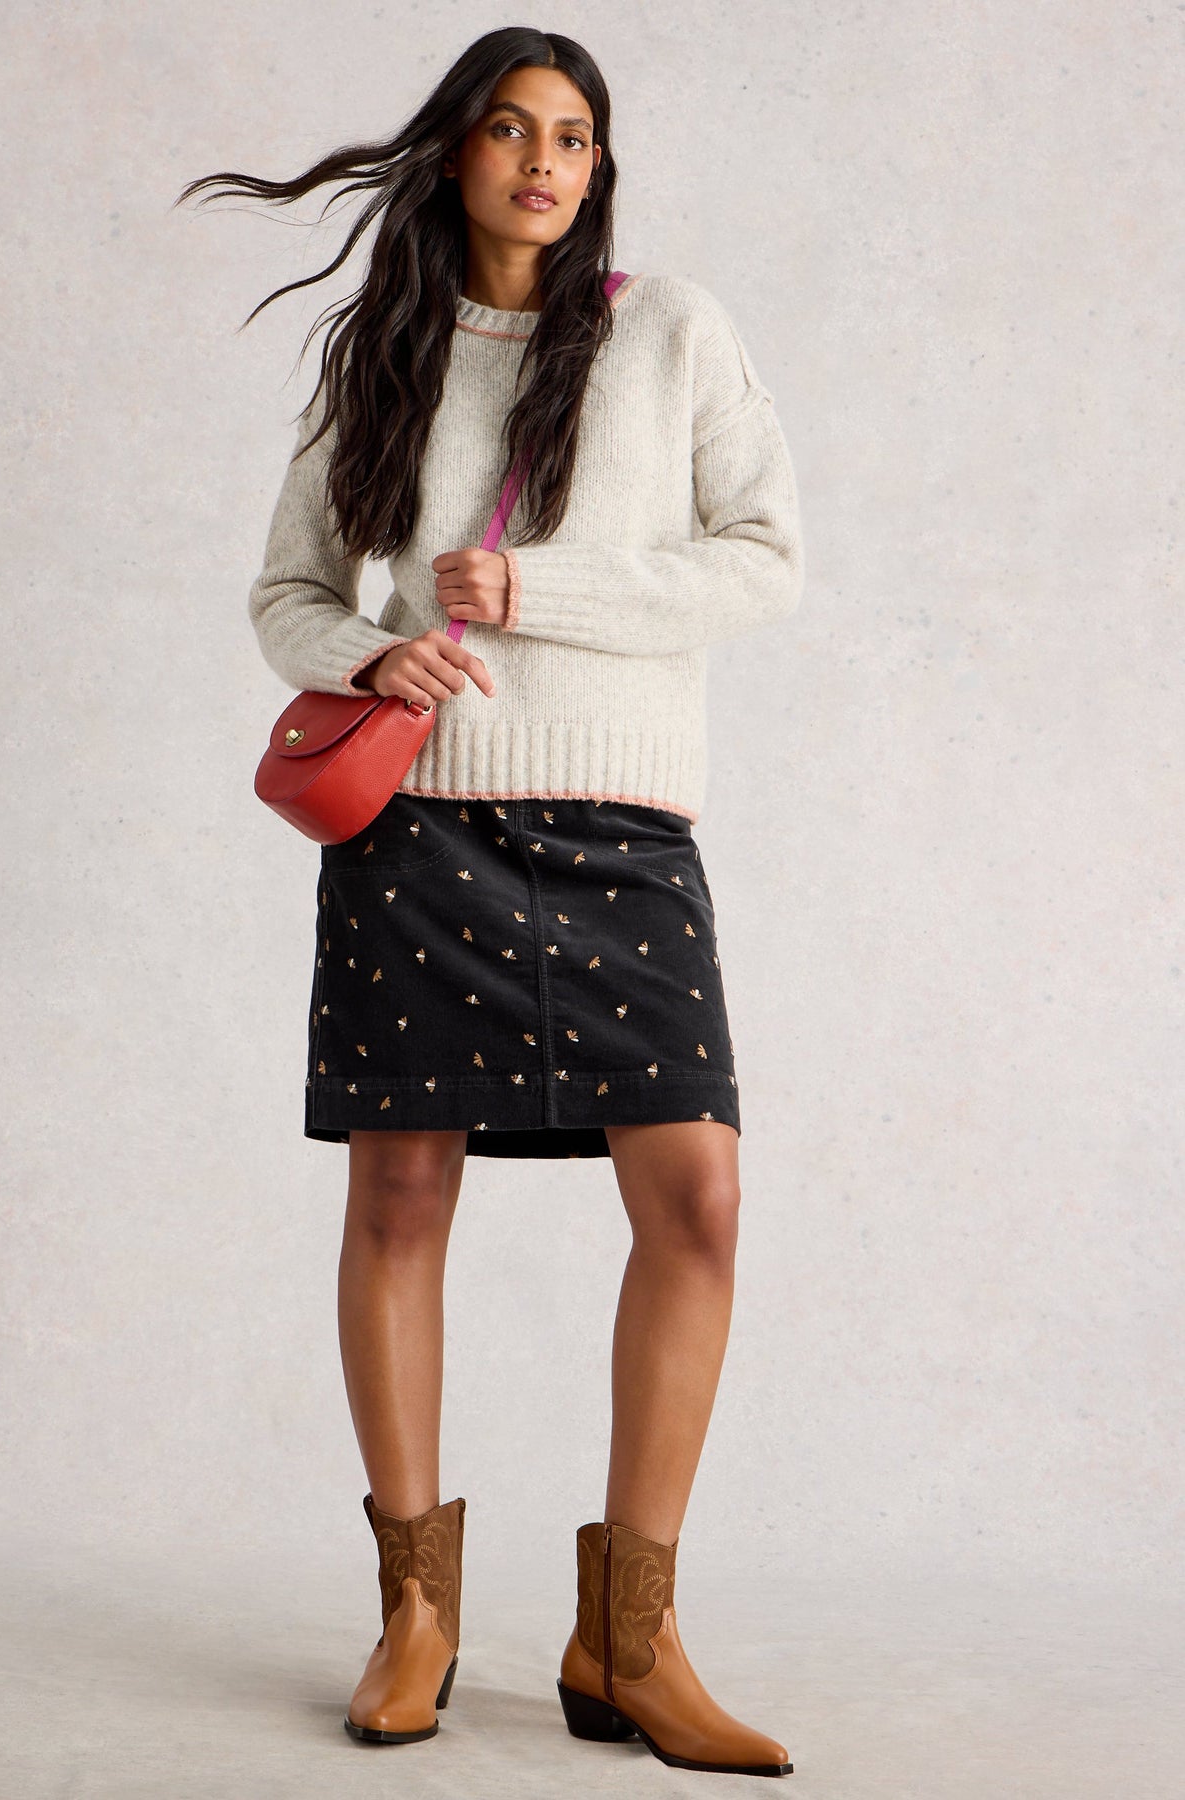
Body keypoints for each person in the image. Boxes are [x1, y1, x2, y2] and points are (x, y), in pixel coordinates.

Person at [179, 25, 802, 1777]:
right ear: (456, 152)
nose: (544, 160)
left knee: (697, 1201)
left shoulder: (670, 331)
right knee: (397, 1197)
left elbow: (764, 562)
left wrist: (540, 588)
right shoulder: (381, 351)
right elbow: (289, 591)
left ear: (599, 168)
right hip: (420, 832)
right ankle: (414, 1615)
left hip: (620, 822)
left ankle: (629, 1641)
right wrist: (368, 650)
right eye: (513, 129)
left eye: (574, 136)